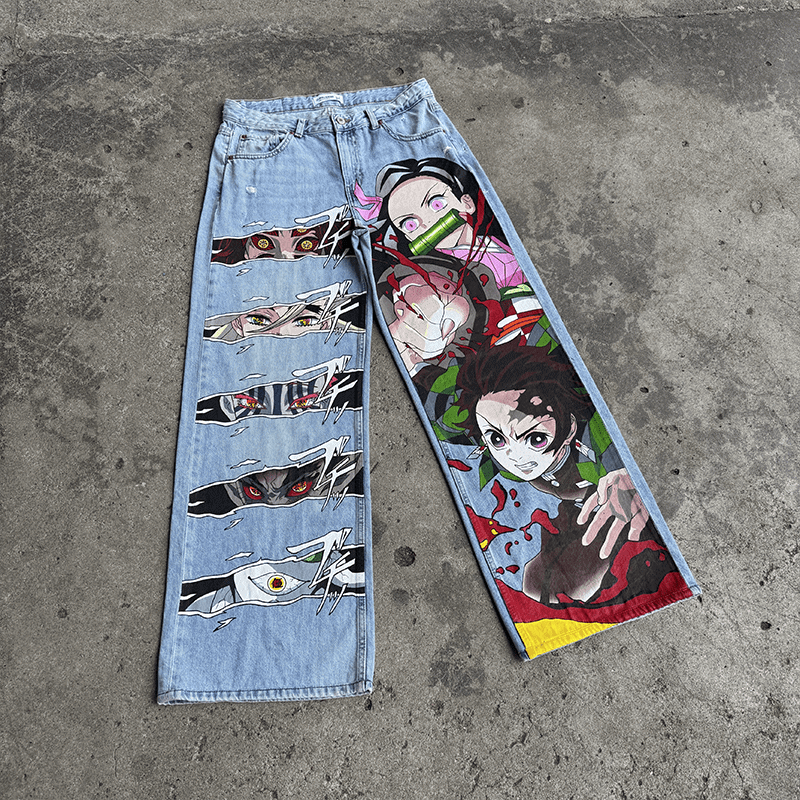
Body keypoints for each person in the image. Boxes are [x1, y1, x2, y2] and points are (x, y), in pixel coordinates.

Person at [455, 341, 654, 605]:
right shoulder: (505, 464)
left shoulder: (594, 446)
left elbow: (612, 460)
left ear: (569, 428)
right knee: (536, 583)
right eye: (496, 439)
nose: (516, 456)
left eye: (535, 439)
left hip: (604, 516)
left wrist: (627, 478)